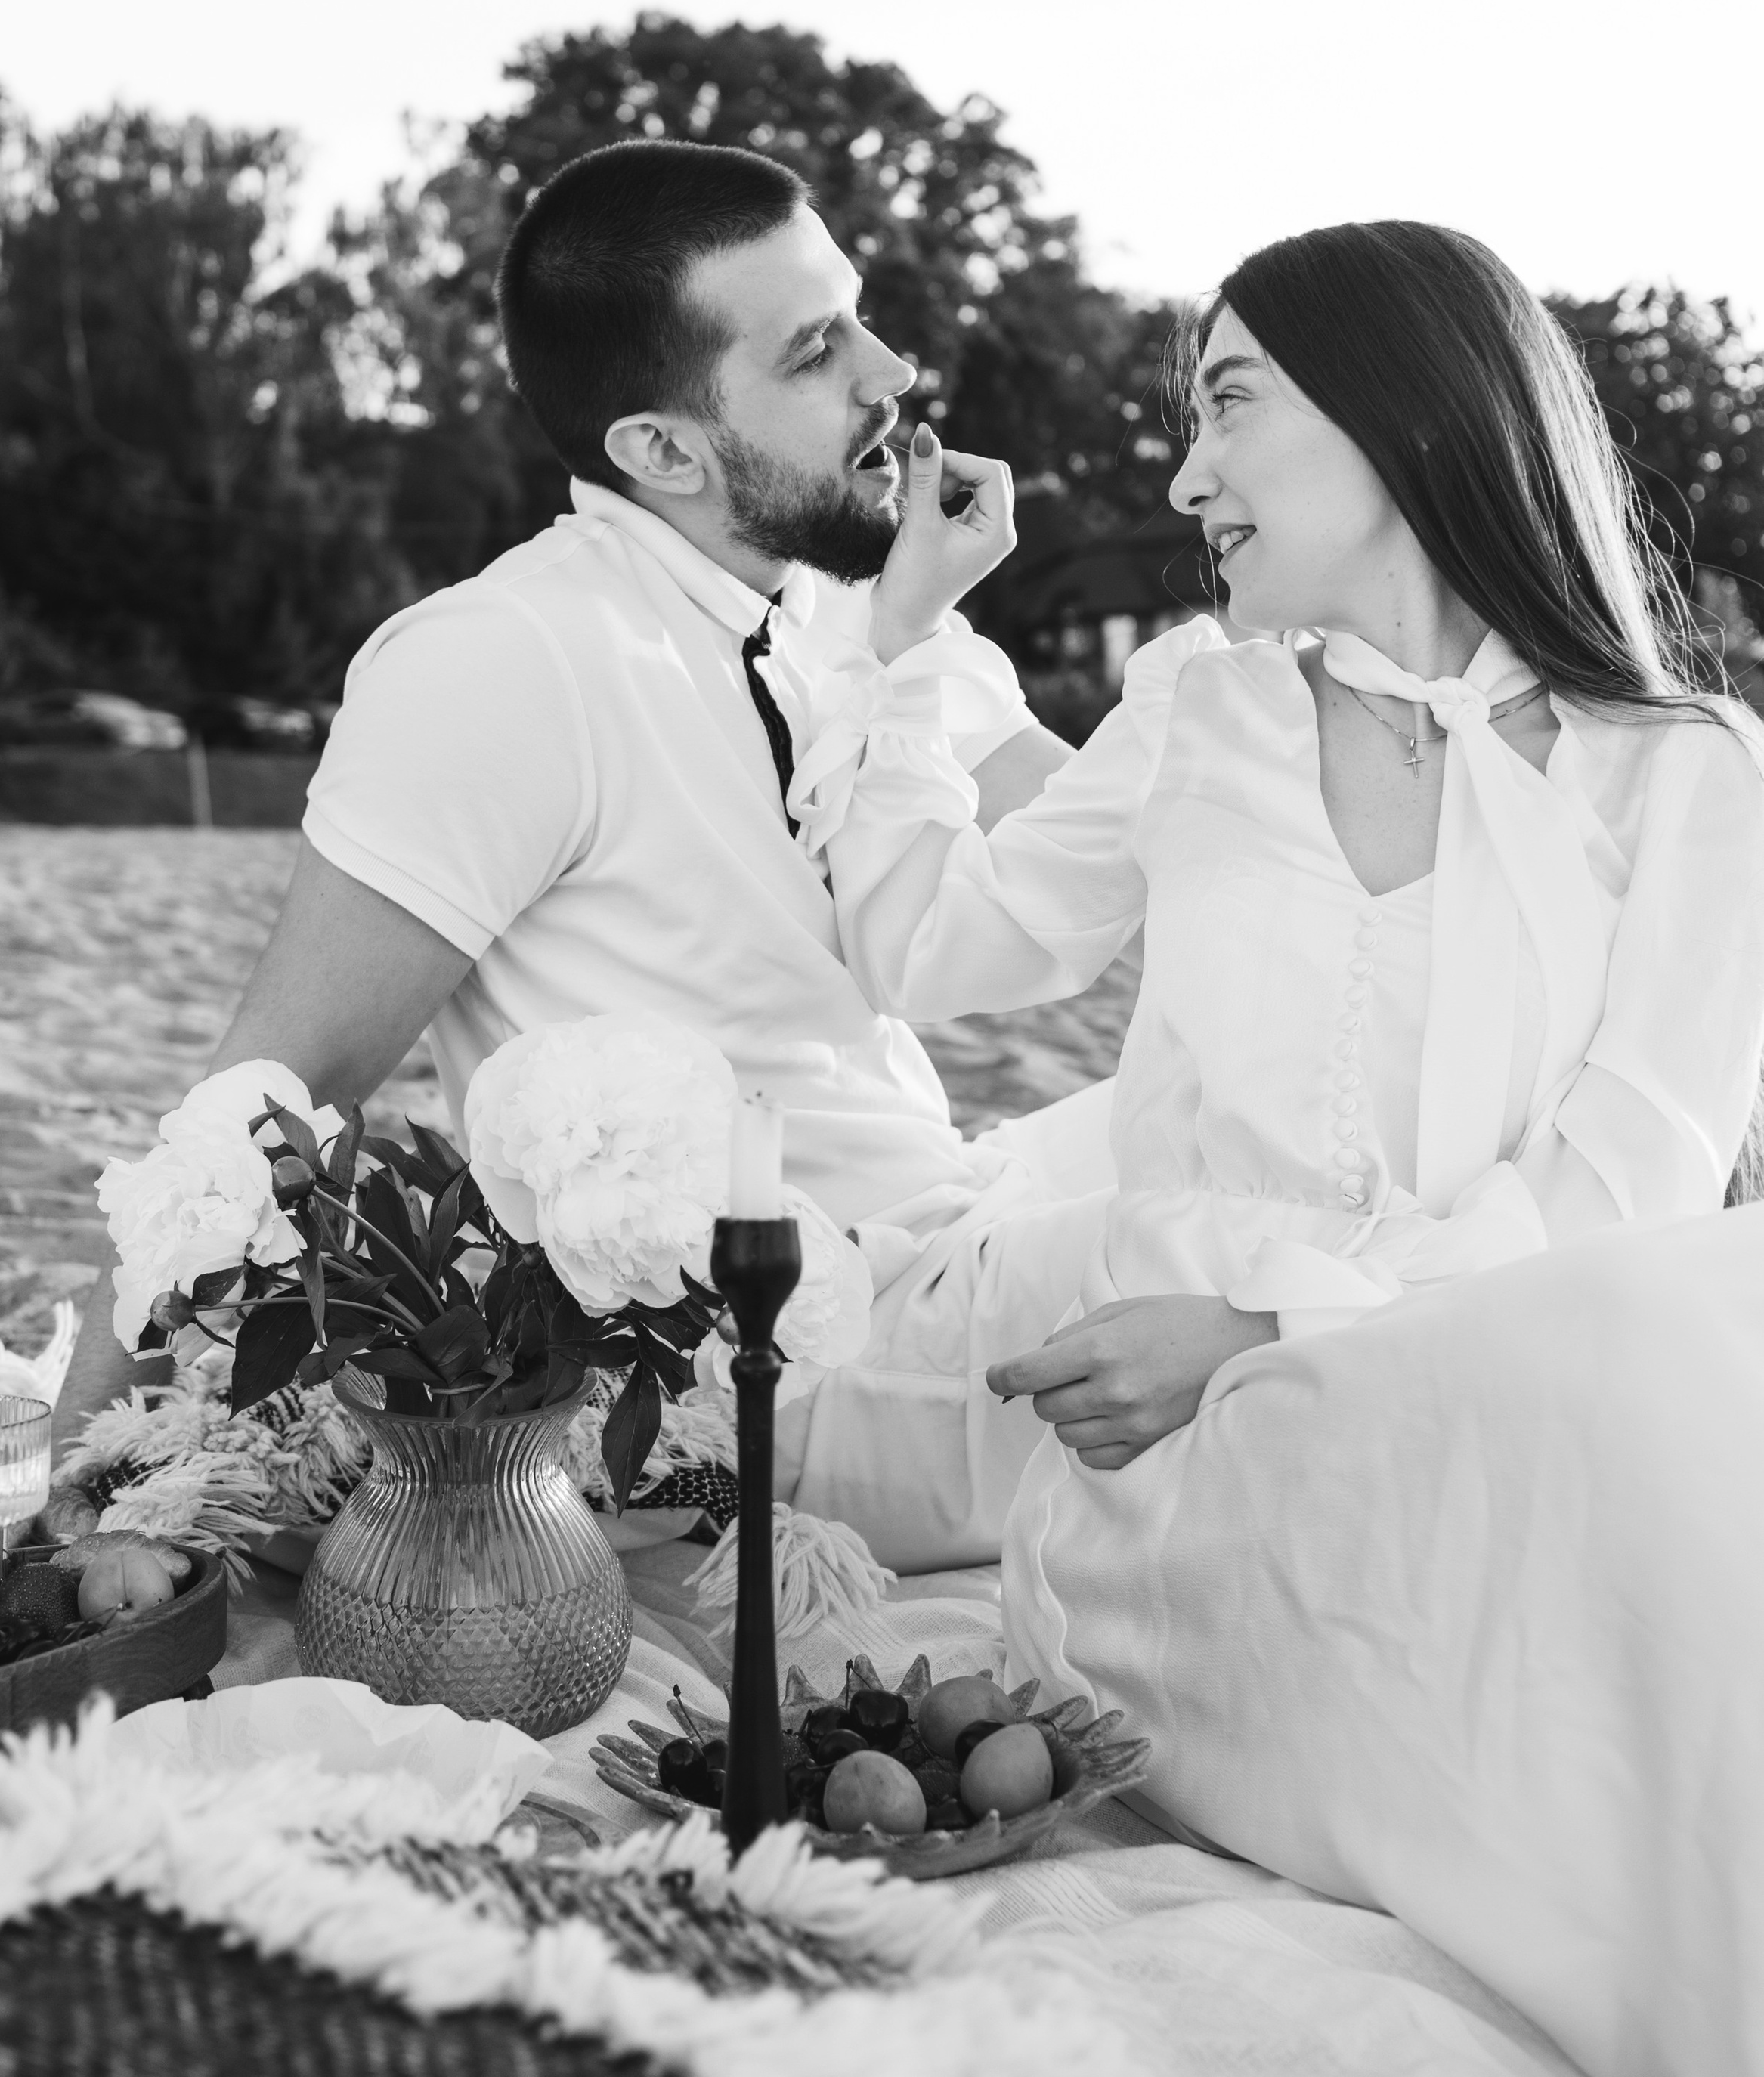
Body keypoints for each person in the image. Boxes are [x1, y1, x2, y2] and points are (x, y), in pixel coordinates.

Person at [793, 217, 1764, 2077]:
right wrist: (907, 641)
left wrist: (1263, 1313)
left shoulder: (1691, 772)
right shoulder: (1188, 707)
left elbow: (1626, 1189)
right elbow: (931, 950)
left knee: (1665, 1336)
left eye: (1227, 403)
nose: (1181, 473)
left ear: (1402, 419)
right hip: (1196, 1466)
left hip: (1486, 1386)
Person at [55, 138, 1121, 1555]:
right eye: (816, 352)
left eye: (859, 314)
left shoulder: (853, 605)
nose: (892, 371)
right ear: (662, 449)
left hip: (950, 1234)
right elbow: (280, 1087)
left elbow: (1117, 835)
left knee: (1317, 1184)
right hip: (785, 1361)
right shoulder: (507, 661)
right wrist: (84, 1466)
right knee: (1305, 1280)